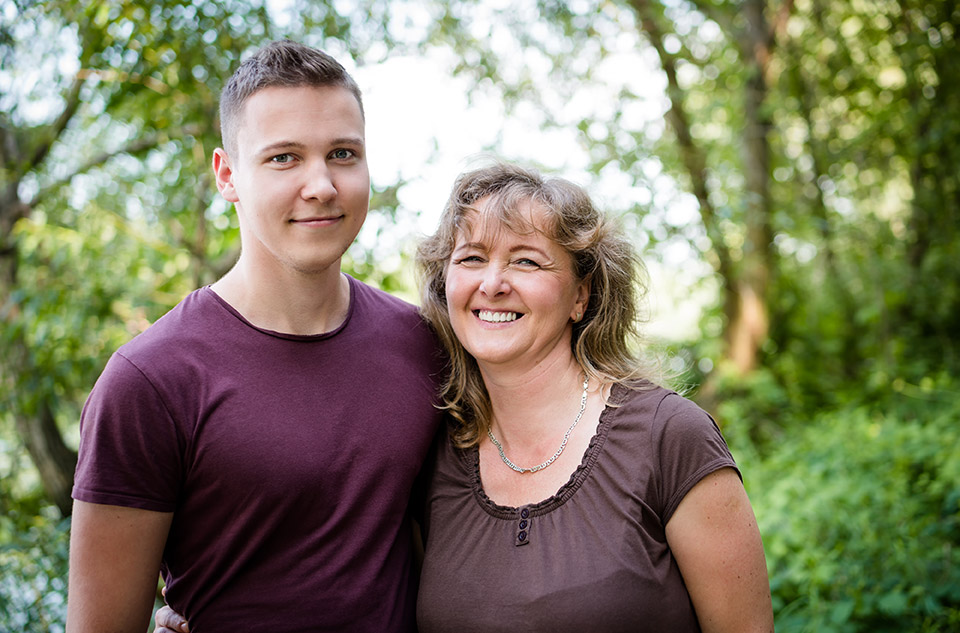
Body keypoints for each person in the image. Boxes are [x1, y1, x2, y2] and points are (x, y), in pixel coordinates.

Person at [154, 163, 775, 632]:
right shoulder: (434, 452)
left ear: (582, 295)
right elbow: (332, 567)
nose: (493, 283)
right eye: (471, 258)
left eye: (527, 262)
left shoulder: (670, 438)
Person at [66, 40, 444, 633]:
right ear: (227, 176)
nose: (321, 185)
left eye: (342, 153)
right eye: (284, 158)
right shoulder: (150, 382)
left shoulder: (423, 345)